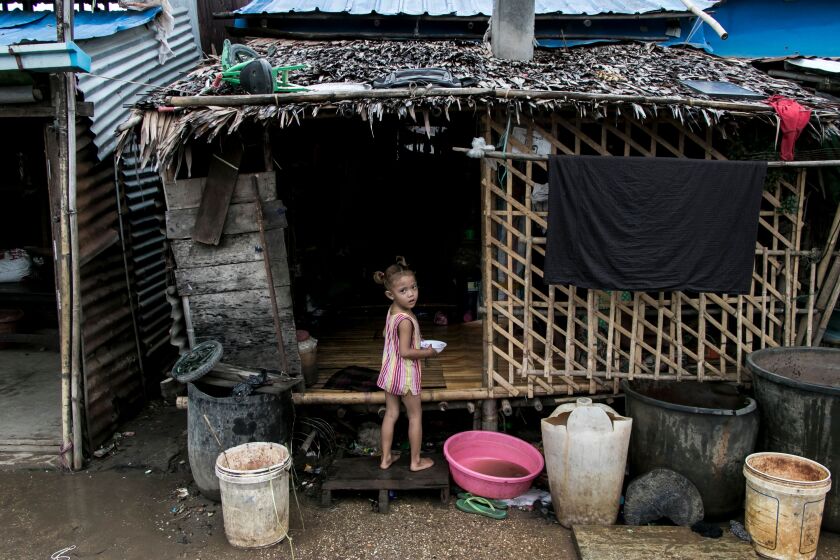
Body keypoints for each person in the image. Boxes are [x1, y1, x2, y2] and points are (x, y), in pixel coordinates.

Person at [374, 256, 438, 472]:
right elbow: (405, 352)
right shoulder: (406, 320)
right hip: (406, 376)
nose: (411, 293)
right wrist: (427, 352)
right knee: (415, 415)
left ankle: (385, 459)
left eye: (414, 287)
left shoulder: (393, 311)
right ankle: (415, 461)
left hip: (390, 372)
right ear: (390, 294)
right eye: (404, 291)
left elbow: (386, 334)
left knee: (391, 414)